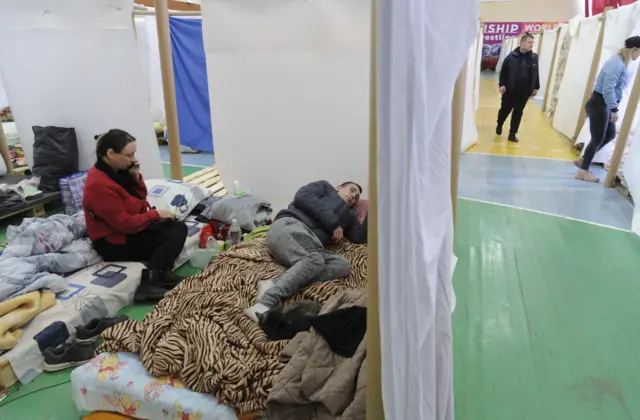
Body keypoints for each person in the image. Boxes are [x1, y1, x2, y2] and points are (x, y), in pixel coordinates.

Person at [83, 129, 188, 302]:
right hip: (113, 242)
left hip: (127, 230)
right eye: (129, 155)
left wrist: (135, 176)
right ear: (110, 154)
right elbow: (125, 224)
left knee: (175, 225)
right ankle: (150, 283)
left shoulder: (117, 171)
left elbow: (140, 199)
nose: (133, 159)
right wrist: (155, 214)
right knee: (172, 233)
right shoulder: (98, 184)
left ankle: (159, 273)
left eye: (134, 154)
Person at [245, 180, 367, 321]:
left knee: (342, 265)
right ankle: (264, 303)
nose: (354, 196)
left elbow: (359, 237)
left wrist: (374, 212)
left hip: (309, 244)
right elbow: (303, 196)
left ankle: (273, 283)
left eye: (357, 197)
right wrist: (334, 224)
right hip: (290, 225)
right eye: (352, 190)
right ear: (338, 187)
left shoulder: (350, 215)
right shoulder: (325, 187)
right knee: (314, 259)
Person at [574, 36, 640, 182]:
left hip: (604, 103)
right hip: (600, 103)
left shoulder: (623, 63)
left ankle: (584, 160)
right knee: (597, 138)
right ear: (634, 49)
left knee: (609, 134)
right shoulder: (616, 64)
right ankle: (583, 171)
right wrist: (614, 109)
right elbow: (607, 89)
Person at [496, 32, 540, 143]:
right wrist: (501, 85)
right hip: (510, 90)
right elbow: (503, 72)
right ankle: (500, 123)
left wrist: (536, 87)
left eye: (532, 43)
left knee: (518, 112)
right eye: (529, 42)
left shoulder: (534, 57)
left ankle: (512, 134)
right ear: (522, 43)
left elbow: (536, 73)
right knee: (505, 110)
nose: (531, 45)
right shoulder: (511, 56)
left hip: (524, 91)